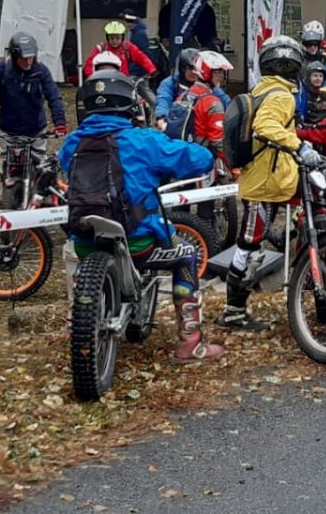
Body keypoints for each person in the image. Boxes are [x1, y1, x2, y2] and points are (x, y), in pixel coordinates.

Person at [60, 71, 224, 363]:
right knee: (187, 254)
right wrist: (204, 149)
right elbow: (199, 160)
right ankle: (191, 343)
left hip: (86, 241)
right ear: (130, 104)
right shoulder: (144, 141)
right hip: (139, 246)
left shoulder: (71, 144)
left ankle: (77, 323)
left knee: (76, 258)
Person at [223, 35, 321, 331]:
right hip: (264, 184)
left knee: (252, 243)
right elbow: (265, 126)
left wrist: (297, 143)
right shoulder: (281, 95)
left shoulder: (263, 90)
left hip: (268, 180)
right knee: (248, 246)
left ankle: (236, 307)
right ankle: (233, 313)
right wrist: (299, 145)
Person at [0, 32, 70, 140]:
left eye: (31, 57)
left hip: (37, 130)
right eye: (24, 58)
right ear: (14, 56)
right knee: (7, 151)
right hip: (8, 131)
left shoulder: (41, 71)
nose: (28, 62)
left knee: (39, 152)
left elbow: (54, 96)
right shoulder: (1, 70)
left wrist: (60, 123)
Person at [170, 51, 232, 157]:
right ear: (205, 72)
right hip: (202, 157)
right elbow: (218, 142)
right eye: (217, 72)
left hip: (182, 154)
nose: (221, 76)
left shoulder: (185, 95)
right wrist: (233, 164)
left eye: (222, 72)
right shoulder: (213, 103)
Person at [83, 21, 157, 80]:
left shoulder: (127, 47)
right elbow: (89, 64)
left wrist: (152, 69)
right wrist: (93, 77)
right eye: (112, 38)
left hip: (123, 82)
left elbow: (141, 57)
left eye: (118, 38)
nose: (115, 41)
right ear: (107, 38)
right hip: (104, 81)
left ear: (122, 38)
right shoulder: (100, 48)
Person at [156, 48, 204, 129]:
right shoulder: (169, 83)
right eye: (190, 68)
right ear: (182, 68)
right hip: (176, 124)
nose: (194, 72)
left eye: (196, 69)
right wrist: (162, 118)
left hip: (201, 125)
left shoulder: (205, 84)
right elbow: (163, 100)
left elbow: (222, 99)